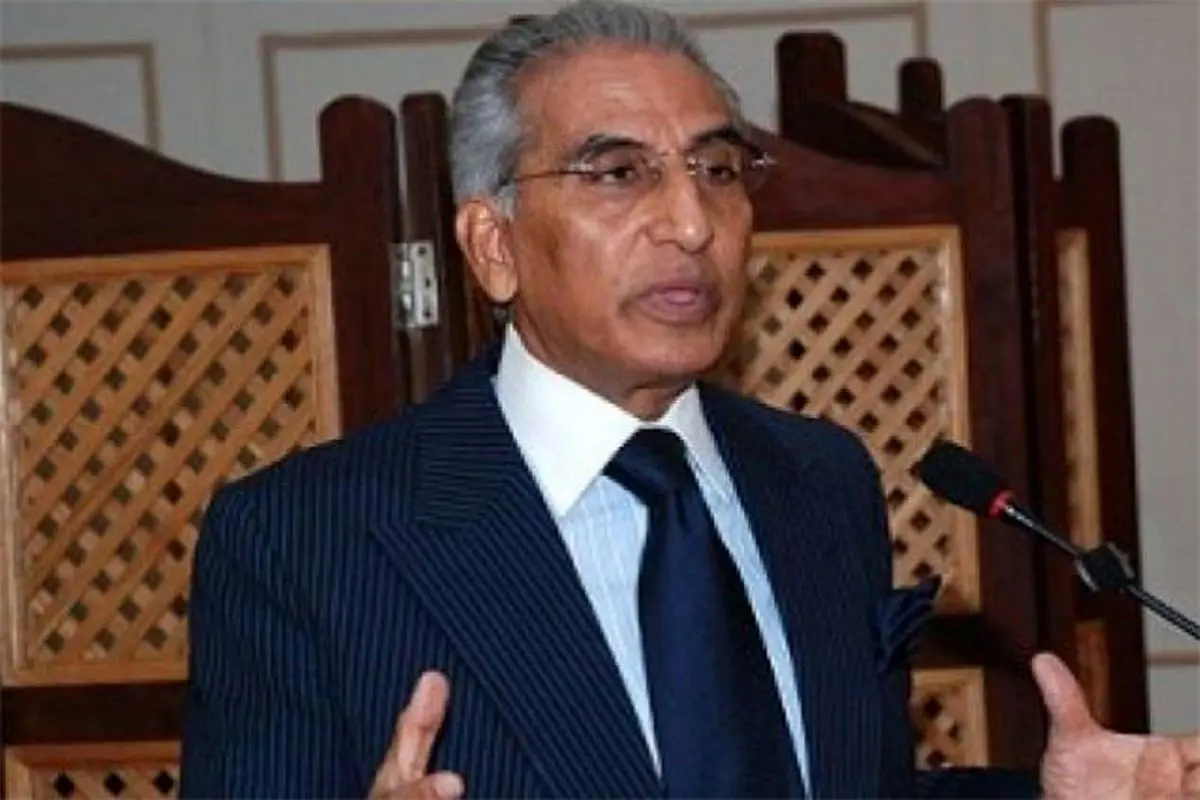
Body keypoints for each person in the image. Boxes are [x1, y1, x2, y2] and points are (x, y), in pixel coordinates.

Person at [180, 2, 1200, 798]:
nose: (691, 221)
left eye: (717, 168)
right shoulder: (307, 537)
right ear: (493, 245)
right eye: (618, 173)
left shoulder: (817, 477)